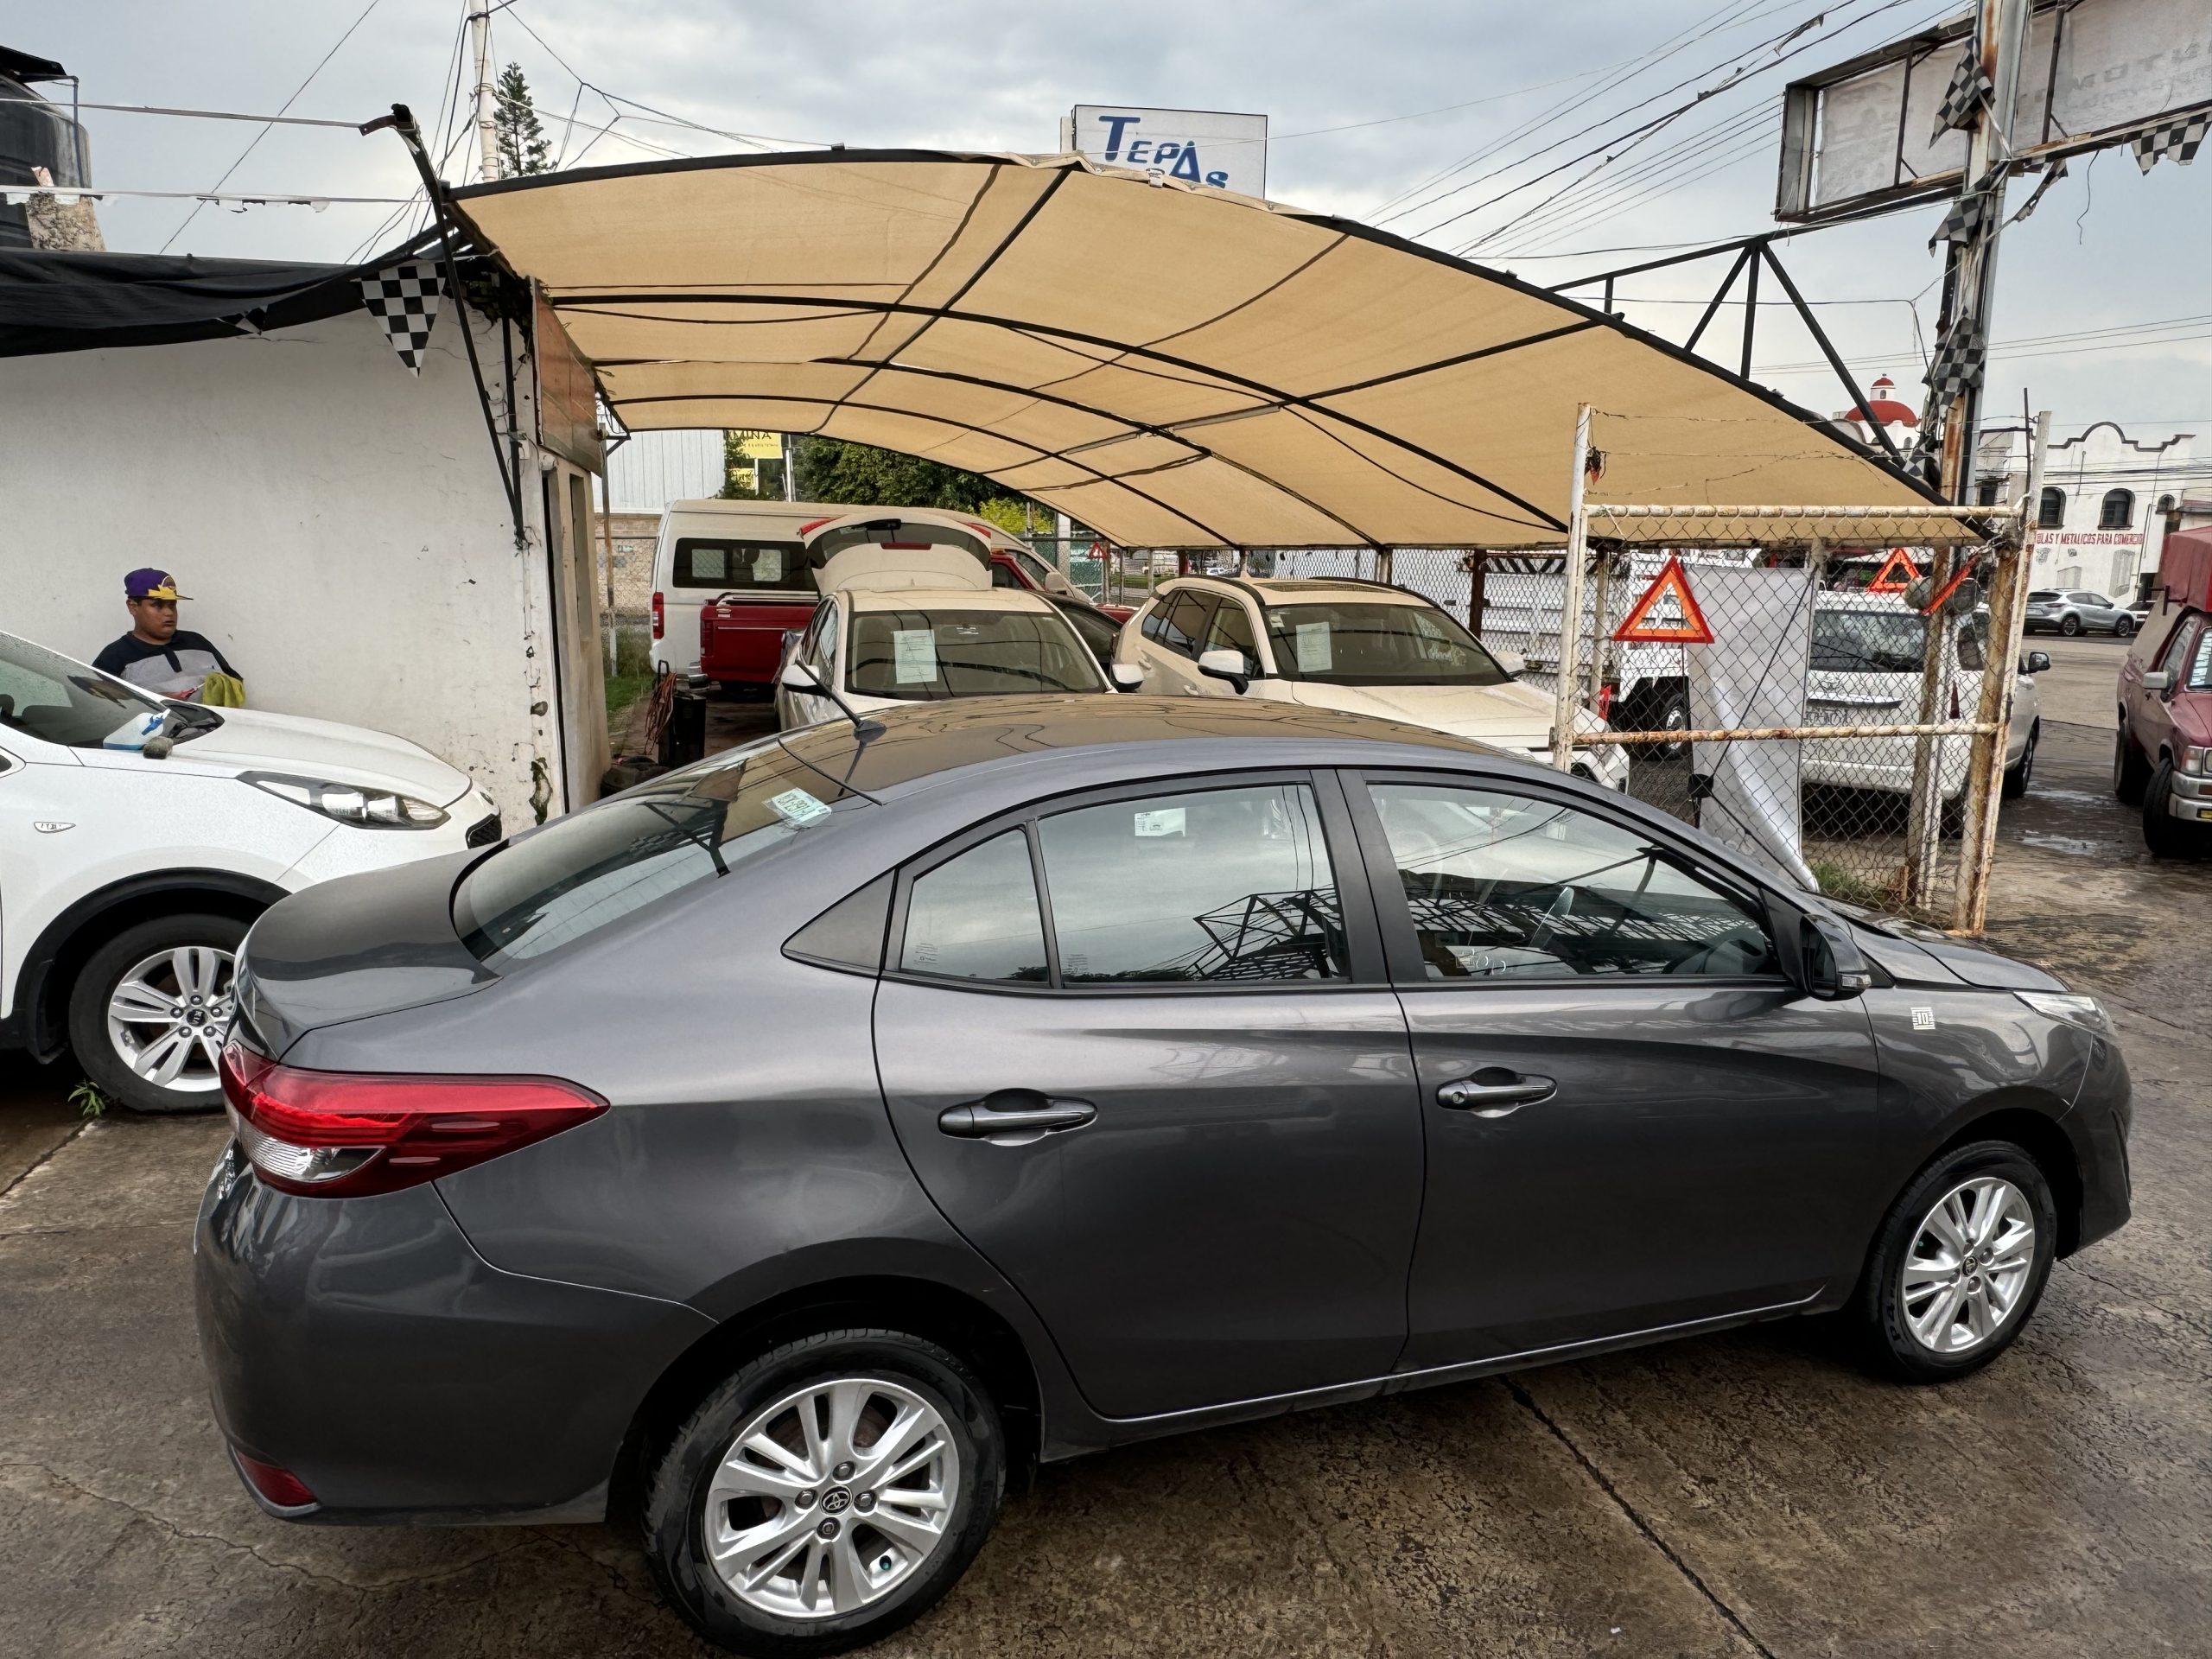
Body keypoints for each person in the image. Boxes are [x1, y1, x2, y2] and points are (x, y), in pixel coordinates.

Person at [92, 569, 244, 702]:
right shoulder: (114, 656)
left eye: (172, 605)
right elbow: (97, 709)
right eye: (157, 605)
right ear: (133, 607)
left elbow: (235, 683)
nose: (169, 613)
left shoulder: (197, 642)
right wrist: (154, 702)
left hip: (218, 732)